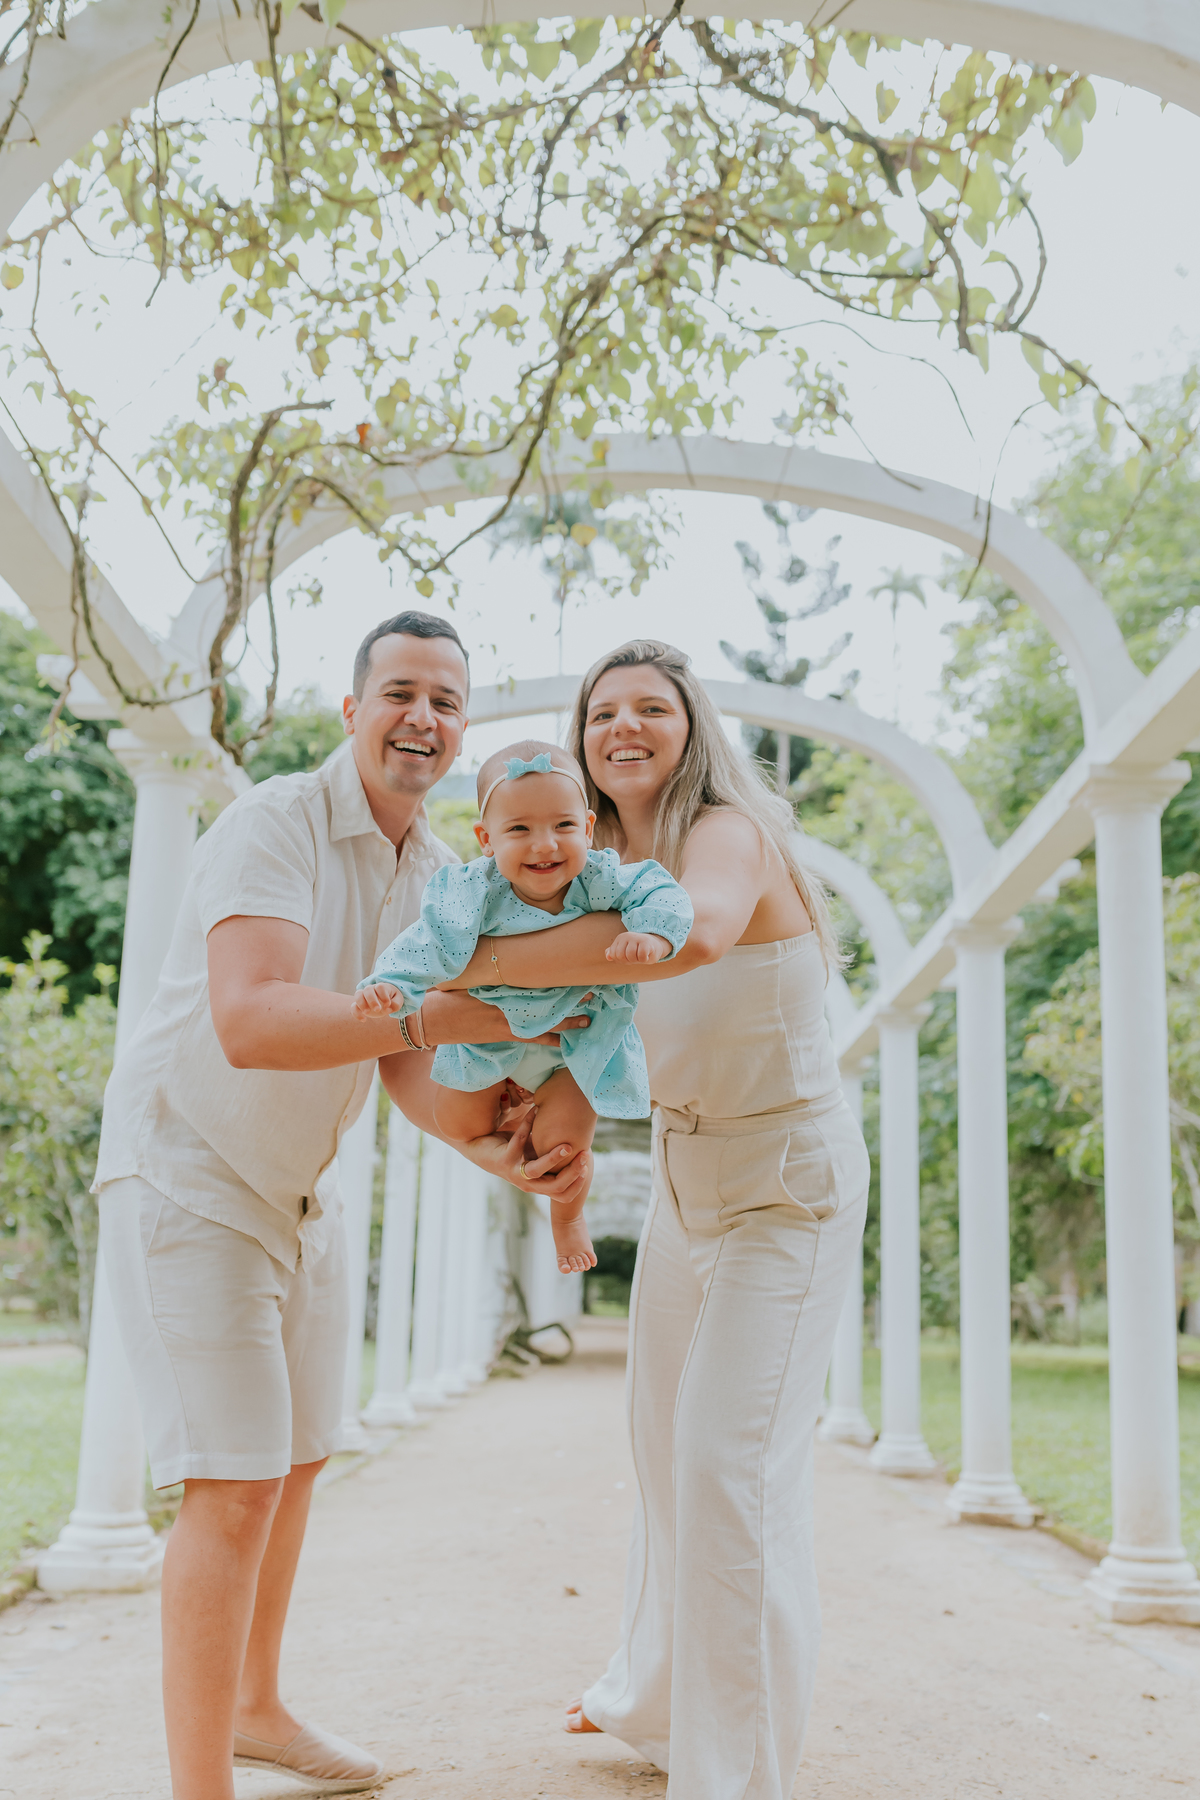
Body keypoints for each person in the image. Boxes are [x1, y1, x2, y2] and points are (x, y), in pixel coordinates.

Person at [92, 612, 593, 1800]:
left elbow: (406, 1068)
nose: (424, 717)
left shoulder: (434, 873)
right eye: (403, 692)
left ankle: (259, 1708)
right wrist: (450, 1017)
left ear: (461, 733)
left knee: (302, 1458)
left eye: (448, 702)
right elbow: (254, 1020)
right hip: (188, 1171)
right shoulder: (274, 820)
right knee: (233, 1481)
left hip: (300, 1191)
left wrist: (501, 1150)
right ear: (355, 709)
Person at [438, 639, 870, 1800]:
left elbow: (705, 930)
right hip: (688, 1175)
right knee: (664, 1453)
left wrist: (463, 962)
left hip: (789, 1182)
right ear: (581, 745)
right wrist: (541, 1128)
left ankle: (736, 1776)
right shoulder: (590, 871)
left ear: (693, 729)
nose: (624, 728)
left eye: (651, 709)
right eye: (603, 714)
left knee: (730, 1465)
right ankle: (657, 1699)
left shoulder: (722, 828)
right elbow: (592, 1028)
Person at [353, 739, 693, 1271]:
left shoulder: (601, 879)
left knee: (562, 1147)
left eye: (562, 826)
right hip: (491, 1042)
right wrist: (393, 983)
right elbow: (432, 942)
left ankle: (568, 1220)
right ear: (486, 840)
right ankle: (505, 1129)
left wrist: (652, 932)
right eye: (519, 830)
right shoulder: (473, 891)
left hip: (576, 1046)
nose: (544, 846)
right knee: (456, 1118)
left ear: (586, 825)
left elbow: (662, 889)